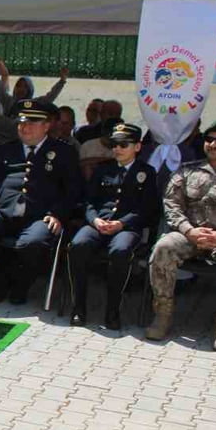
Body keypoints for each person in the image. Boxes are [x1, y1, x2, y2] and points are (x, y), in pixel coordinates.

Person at [145, 118, 216, 352]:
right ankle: (162, 314)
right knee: (164, 247)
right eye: (209, 139)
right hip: (191, 235)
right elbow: (171, 204)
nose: (213, 144)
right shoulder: (187, 170)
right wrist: (189, 230)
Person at [0, 100, 83, 304]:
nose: (24, 127)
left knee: (33, 243)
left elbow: (73, 191)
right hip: (3, 211)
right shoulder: (5, 150)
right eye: (21, 122)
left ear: (46, 125)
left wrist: (57, 214)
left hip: (40, 215)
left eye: (32, 123)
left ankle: (21, 286)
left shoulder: (64, 152)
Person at [67, 122, 160, 330]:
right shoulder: (103, 169)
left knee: (120, 251)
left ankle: (112, 311)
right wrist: (95, 220)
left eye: (123, 145)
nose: (117, 149)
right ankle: (78, 308)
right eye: (114, 144)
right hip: (99, 223)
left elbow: (147, 209)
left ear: (137, 147)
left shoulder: (147, 172)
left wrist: (121, 223)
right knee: (78, 245)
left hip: (127, 227)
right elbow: (89, 201)